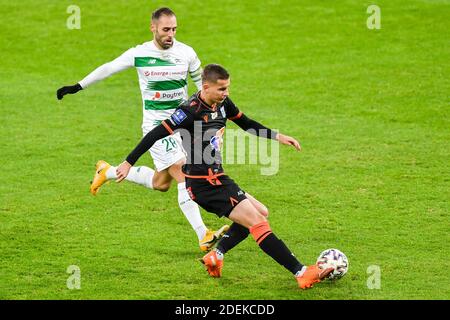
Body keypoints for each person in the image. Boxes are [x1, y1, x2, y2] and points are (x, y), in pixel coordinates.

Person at [115, 64, 334, 289]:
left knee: (260, 212)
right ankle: (300, 272)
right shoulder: (190, 111)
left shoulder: (223, 104)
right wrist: (128, 162)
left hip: (217, 178)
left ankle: (216, 255)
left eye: (227, 88)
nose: (226, 93)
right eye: (221, 89)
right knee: (258, 222)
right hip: (205, 185)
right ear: (206, 86)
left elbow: (246, 124)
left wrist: (278, 136)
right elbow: (155, 134)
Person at [56, 7, 228, 252]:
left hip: (185, 124)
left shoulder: (186, 53)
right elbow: (108, 68)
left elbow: (206, 88)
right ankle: (203, 234)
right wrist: (78, 86)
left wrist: (215, 120)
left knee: (161, 183)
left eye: (174, 29)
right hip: (157, 127)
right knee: (184, 173)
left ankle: (108, 171)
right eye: (166, 29)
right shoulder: (140, 53)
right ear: (153, 28)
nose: (171, 34)